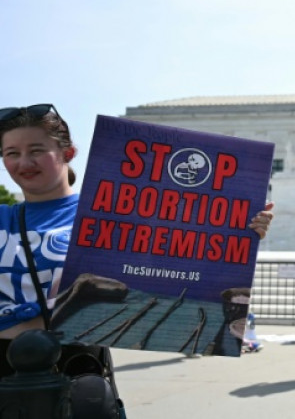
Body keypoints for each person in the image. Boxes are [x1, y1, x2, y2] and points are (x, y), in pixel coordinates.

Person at [0, 103, 275, 376]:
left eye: (37, 151)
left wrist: (240, 231)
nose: (24, 163)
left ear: (68, 153)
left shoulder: (113, 217)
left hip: (72, 374)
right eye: (12, 153)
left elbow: (175, 269)